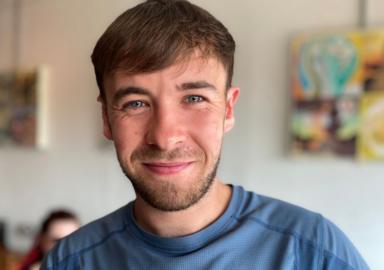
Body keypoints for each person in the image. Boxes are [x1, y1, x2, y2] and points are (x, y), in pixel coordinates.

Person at [43, 1, 369, 269]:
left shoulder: (311, 252)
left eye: (194, 98)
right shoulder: (70, 261)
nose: (165, 136)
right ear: (107, 118)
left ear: (227, 109)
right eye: (136, 103)